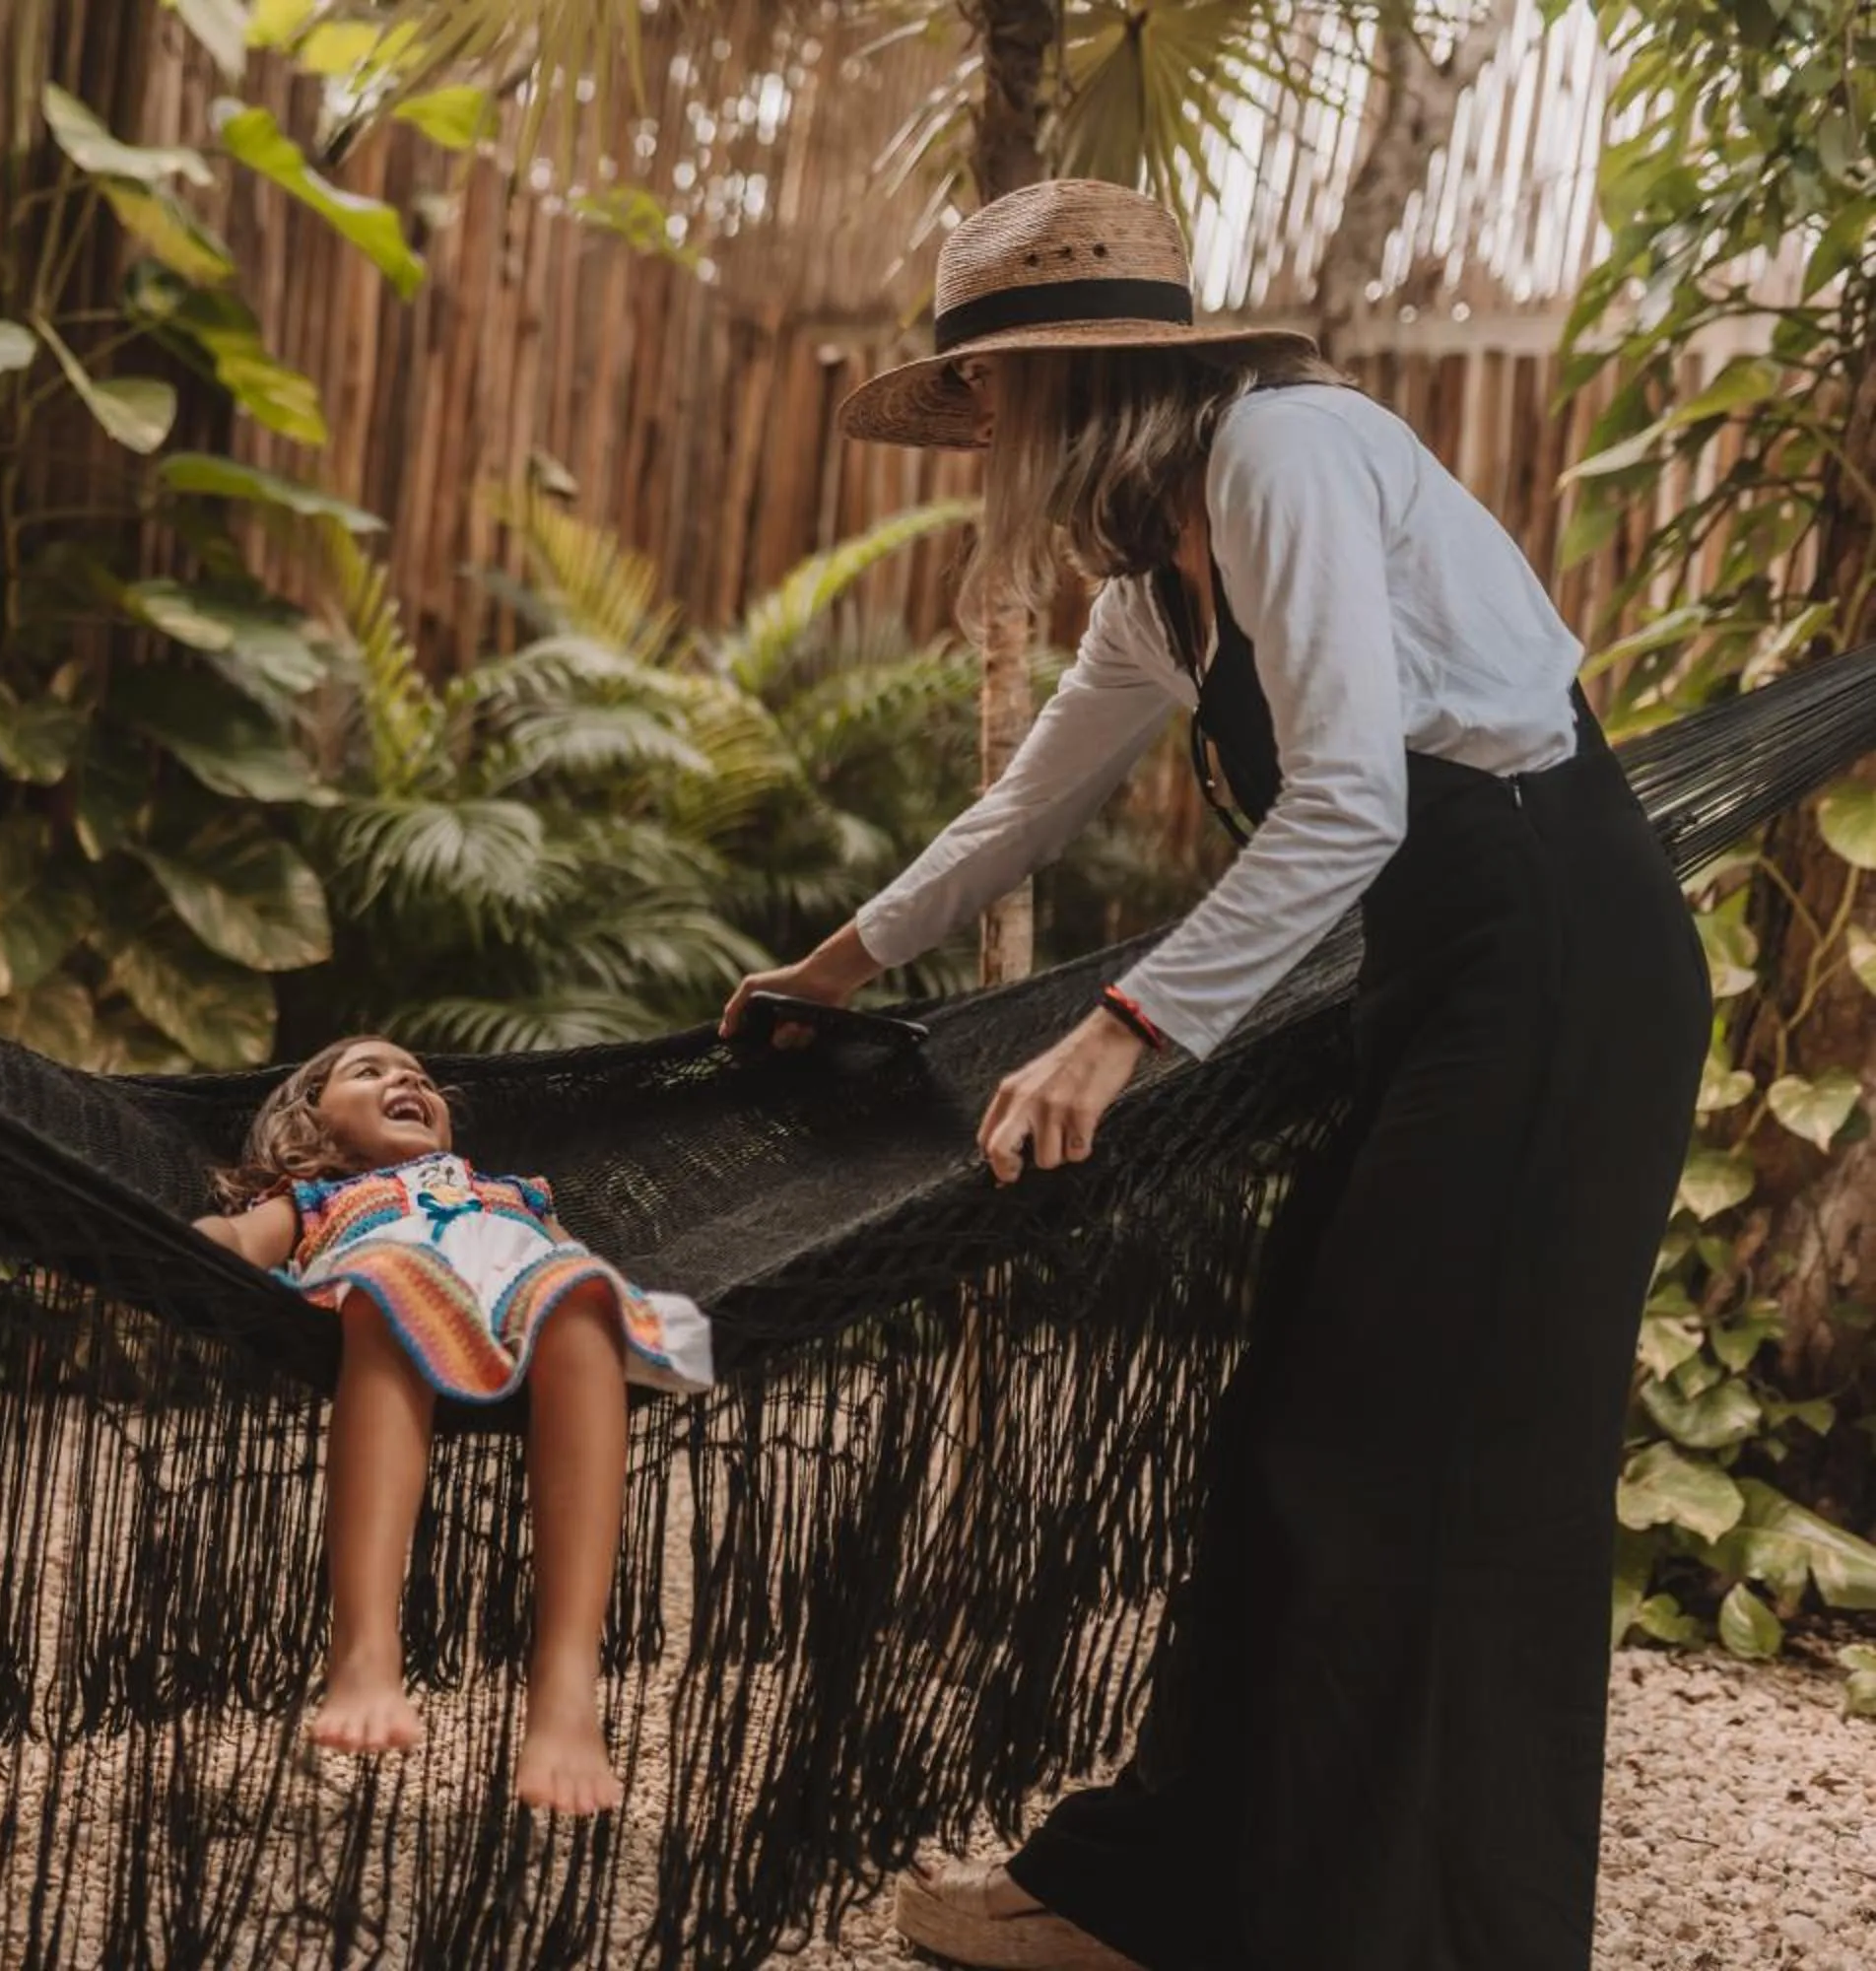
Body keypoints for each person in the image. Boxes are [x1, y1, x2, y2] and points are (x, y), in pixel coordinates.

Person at [720, 180, 1709, 1970]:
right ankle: (1161, 1896)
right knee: (1293, 1435)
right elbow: (1026, 803)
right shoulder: (1153, 574)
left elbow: (1353, 797)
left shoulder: (1284, 454)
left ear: (1075, 376)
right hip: (1438, 977)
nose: (987, 431)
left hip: (1558, 967)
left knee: (1433, 1462)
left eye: (996, 389)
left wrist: (1119, 1031)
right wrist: (837, 966)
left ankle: (1403, 1933)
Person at [193, 1037, 713, 1815]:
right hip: (389, 1296)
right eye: (370, 1072)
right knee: (391, 1281)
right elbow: (234, 1243)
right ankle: (365, 1648)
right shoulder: (314, 1199)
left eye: (421, 1077)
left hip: (524, 1309)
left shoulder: (513, 1193)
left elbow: (575, 1260)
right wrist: (180, 1247)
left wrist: (598, 1293)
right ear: (309, 1123)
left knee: (582, 1297)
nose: (406, 1078)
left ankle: (567, 1684)